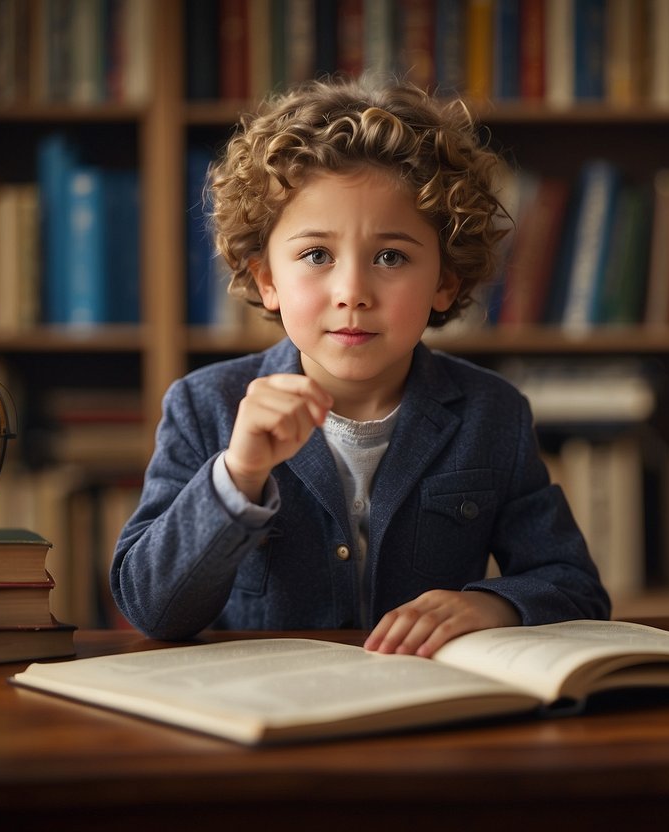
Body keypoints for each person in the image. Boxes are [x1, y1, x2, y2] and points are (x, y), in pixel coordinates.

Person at [110, 77, 610, 657]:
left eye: (390, 257)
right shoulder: (204, 406)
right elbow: (151, 607)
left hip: (428, 712)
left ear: (445, 282)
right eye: (316, 255)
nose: (352, 292)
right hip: (267, 717)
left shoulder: (491, 413)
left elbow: (576, 589)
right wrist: (238, 474)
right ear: (267, 279)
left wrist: (491, 604)